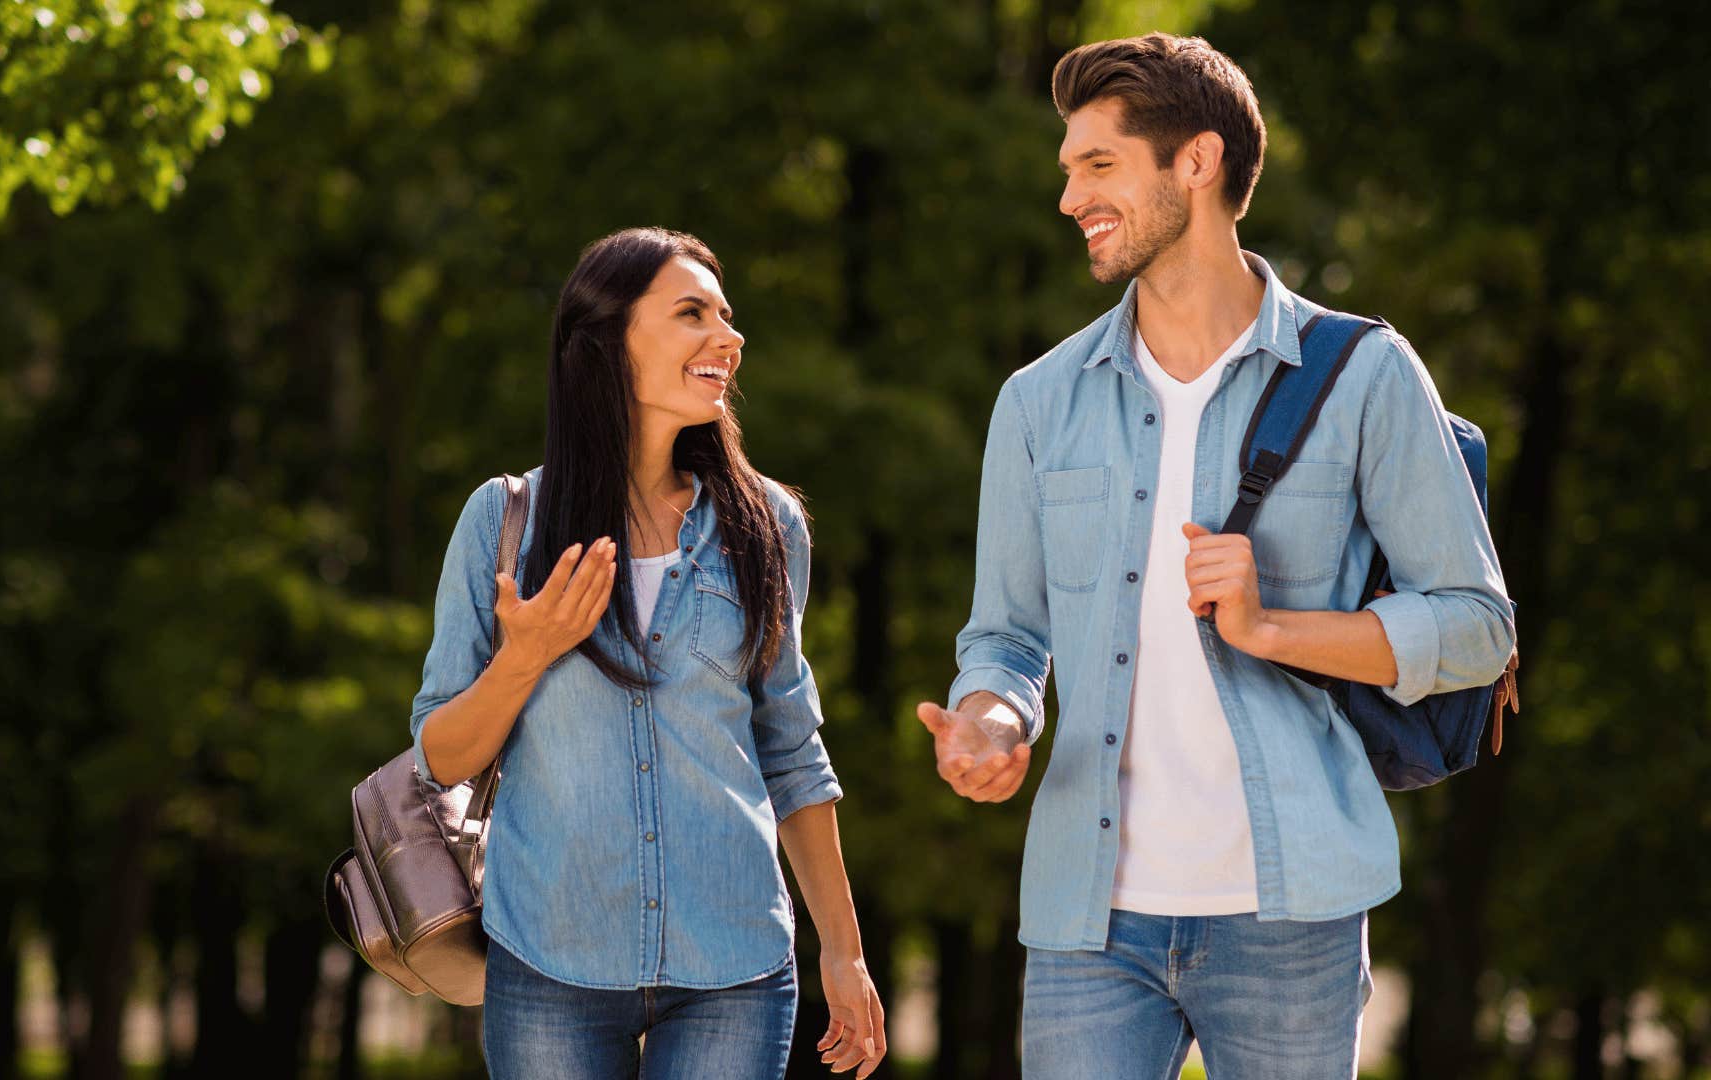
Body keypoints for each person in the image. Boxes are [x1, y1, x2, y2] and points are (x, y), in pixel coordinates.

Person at [915, 33, 1515, 1080]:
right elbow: (1006, 636)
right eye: (1068, 170)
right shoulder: (1038, 403)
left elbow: (1477, 625)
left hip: (1292, 914)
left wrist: (1272, 626)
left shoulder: (1368, 375)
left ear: (1194, 162)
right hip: (1085, 922)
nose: (1068, 199)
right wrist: (993, 717)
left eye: (1096, 166)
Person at [410, 228, 886, 1079]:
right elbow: (439, 758)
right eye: (692, 313)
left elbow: (791, 750)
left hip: (733, 961)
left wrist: (843, 953)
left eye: (728, 316)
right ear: (606, 340)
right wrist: (528, 656)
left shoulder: (767, 527)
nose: (728, 337)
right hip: (549, 953)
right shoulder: (503, 523)